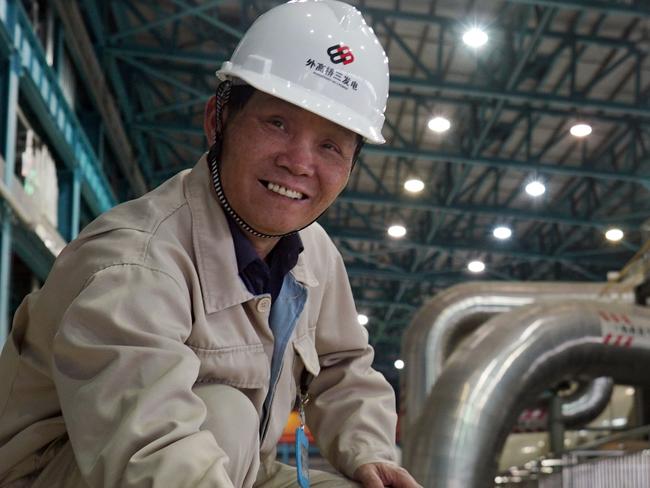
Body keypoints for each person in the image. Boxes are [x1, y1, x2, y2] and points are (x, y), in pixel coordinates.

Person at [0, 1, 420, 487]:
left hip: (228, 466)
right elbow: (152, 454)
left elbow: (342, 365)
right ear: (217, 120)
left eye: (330, 146)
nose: (300, 163)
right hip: (69, 472)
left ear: (349, 167)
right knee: (224, 415)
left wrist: (367, 450)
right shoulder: (135, 265)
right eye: (277, 123)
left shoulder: (313, 254)